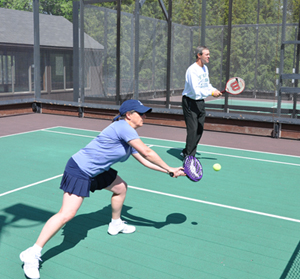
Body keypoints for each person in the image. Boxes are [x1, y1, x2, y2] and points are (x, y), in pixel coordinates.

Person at [20, 99, 185, 279]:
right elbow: (148, 152)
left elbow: (145, 161)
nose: (144, 116)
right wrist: (169, 167)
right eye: (141, 113)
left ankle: (115, 223)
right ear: (129, 115)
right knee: (66, 214)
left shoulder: (128, 134)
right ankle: (33, 253)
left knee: (120, 188)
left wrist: (169, 171)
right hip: (80, 169)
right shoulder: (123, 127)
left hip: (96, 171)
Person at [181, 46, 222, 159]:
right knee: (193, 129)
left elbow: (206, 85)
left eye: (209, 54)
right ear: (199, 55)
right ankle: (189, 157)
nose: (209, 56)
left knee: (199, 129)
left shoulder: (205, 68)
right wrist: (210, 93)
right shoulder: (192, 70)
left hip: (200, 102)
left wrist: (213, 90)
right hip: (190, 101)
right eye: (206, 54)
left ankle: (187, 151)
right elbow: (195, 90)